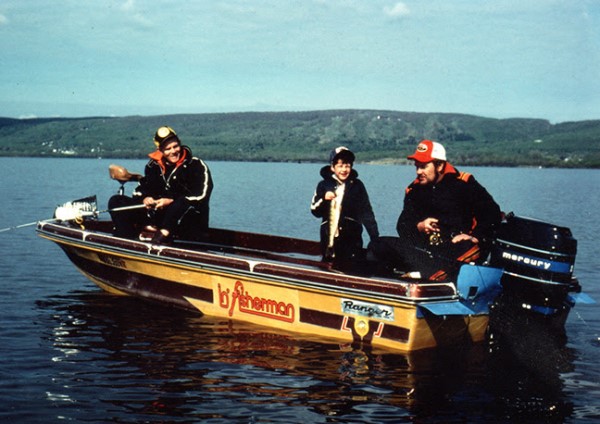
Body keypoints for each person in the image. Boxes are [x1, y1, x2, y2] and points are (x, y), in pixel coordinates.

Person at [369, 139, 502, 281]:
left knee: (469, 246)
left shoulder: (464, 184)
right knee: (378, 244)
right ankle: (420, 276)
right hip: (426, 252)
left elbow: (492, 213)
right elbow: (402, 226)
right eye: (417, 167)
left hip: (455, 248)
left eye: (424, 167)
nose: (418, 172)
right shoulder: (414, 190)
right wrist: (419, 226)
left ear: (439, 165)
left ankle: (429, 277)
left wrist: (474, 235)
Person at [108, 126, 213, 244]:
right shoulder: (153, 166)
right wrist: (145, 199)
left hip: (187, 221)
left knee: (181, 202)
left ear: (180, 144)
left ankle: (160, 237)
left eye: (175, 146)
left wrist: (170, 201)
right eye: (168, 149)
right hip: (158, 219)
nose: (173, 151)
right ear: (160, 150)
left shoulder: (196, 165)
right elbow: (141, 189)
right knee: (116, 201)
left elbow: (201, 195)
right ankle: (126, 241)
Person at [310, 146, 379, 270]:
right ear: (332, 167)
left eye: (347, 165)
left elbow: (367, 213)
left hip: (352, 241)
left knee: (351, 269)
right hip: (329, 239)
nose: (344, 169)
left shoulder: (358, 186)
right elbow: (315, 210)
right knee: (328, 268)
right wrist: (324, 199)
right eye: (340, 166)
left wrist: (375, 238)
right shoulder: (323, 185)